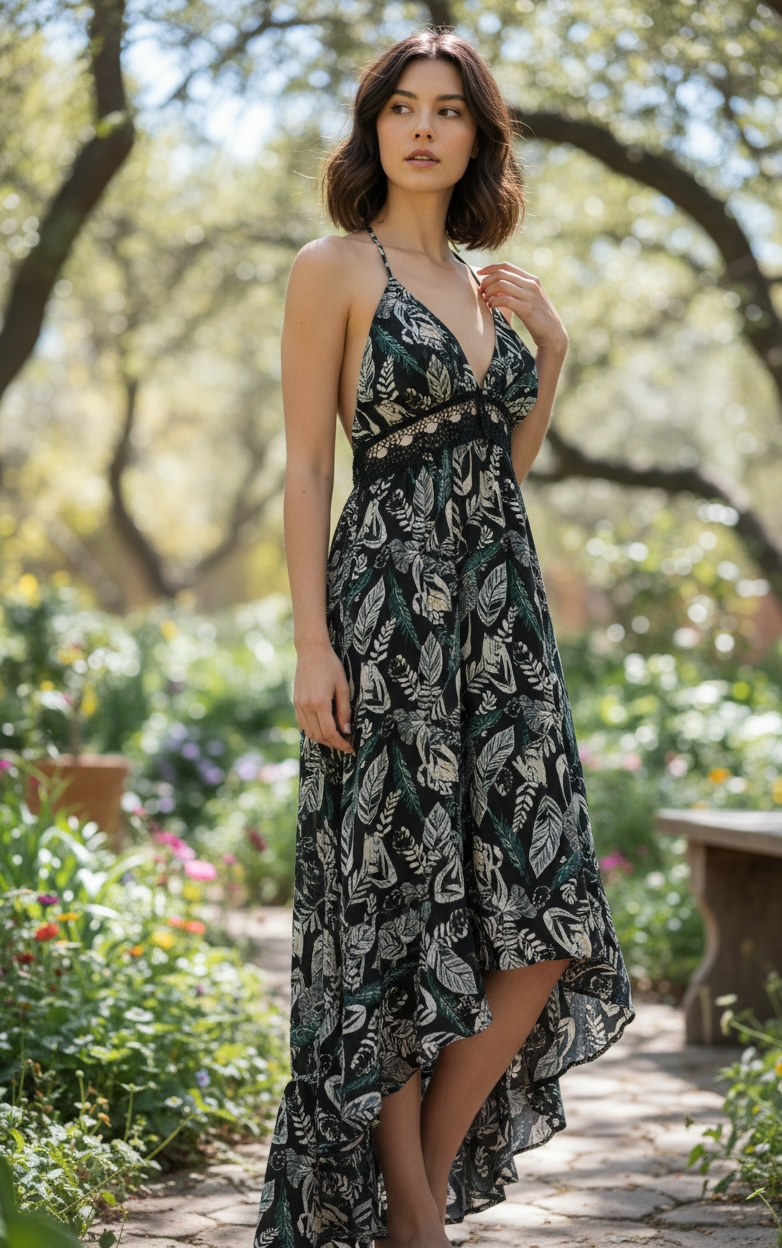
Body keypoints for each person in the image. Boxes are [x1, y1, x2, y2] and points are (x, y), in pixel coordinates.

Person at [253, 26, 634, 1248]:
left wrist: (552, 355)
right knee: (394, 912)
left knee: (545, 917)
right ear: (373, 130)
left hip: (502, 625)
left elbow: (498, 469)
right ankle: (416, 1217)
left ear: (478, 136)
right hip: (386, 621)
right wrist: (314, 645)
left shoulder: (486, 289)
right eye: (402, 108)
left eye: (449, 111)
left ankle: (408, 1173)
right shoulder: (334, 269)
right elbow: (310, 467)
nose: (423, 127)